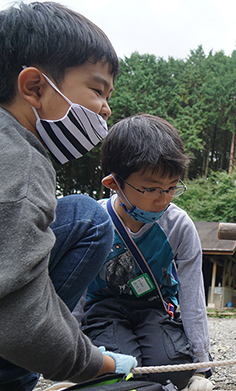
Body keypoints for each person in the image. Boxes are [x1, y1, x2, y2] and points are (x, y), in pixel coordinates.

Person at [0, 2, 138, 390]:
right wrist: (94, 362)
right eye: (97, 89)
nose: (106, 109)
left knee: (78, 213)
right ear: (34, 86)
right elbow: (17, 315)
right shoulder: (20, 163)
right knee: (90, 220)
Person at [79, 114, 213, 391]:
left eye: (171, 188)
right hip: (104, 310)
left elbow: (192, 296)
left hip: (156, 309)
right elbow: (75, 292)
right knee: (119, 370)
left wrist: (201, 366)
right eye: (151, 188)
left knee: (174, 372)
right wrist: (69, 356)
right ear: (113, 183)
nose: (162, 199)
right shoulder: (93, 223)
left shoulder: (178, 226)